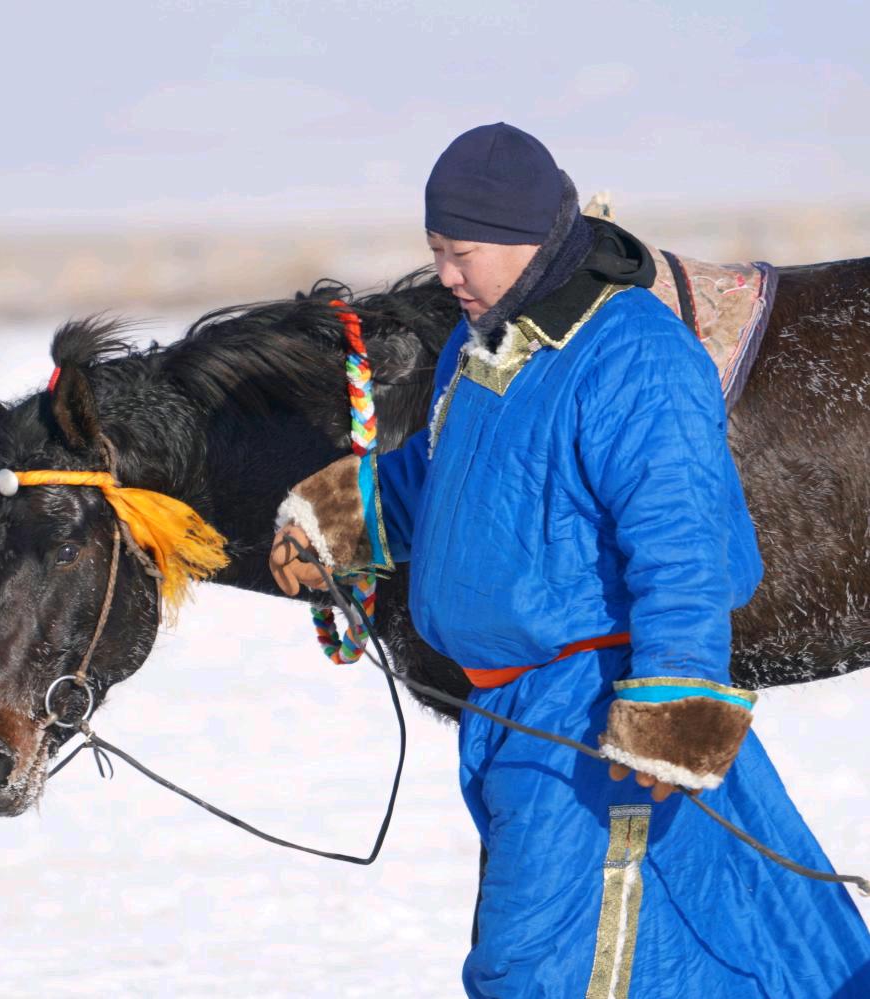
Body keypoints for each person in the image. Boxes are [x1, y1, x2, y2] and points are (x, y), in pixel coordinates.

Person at [268, 123, 870, 997]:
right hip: (508, 715)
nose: (443, 274)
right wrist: (335, 520)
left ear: (521, 239)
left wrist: (671, 707)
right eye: (435, 250)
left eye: (458, 251)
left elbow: (683, 542)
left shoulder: (633, 354)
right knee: (691, 946)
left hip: (590, 718)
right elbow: (444, 477)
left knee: (538, 968)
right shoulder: (480, 346)